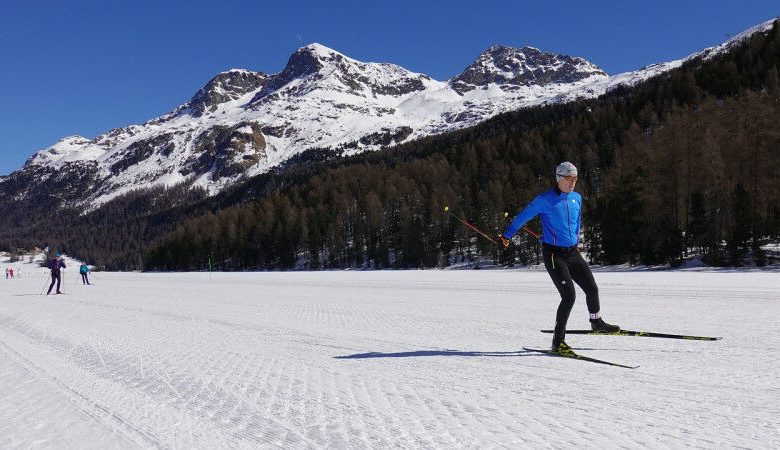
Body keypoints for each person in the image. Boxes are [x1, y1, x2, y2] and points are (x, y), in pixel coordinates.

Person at [499, 161, 620, 355]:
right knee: (569, 296)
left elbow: (576, 221)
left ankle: (596, 322)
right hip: (554, 254)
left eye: (575, 179)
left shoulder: (577, 198)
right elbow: (523, 217)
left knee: (592, 288)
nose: (572, 182)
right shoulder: (544, 199)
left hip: (572, 252)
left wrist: (575, 240)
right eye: (568, 179)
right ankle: (558, 342)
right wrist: (506, 236)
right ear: (559, 178)